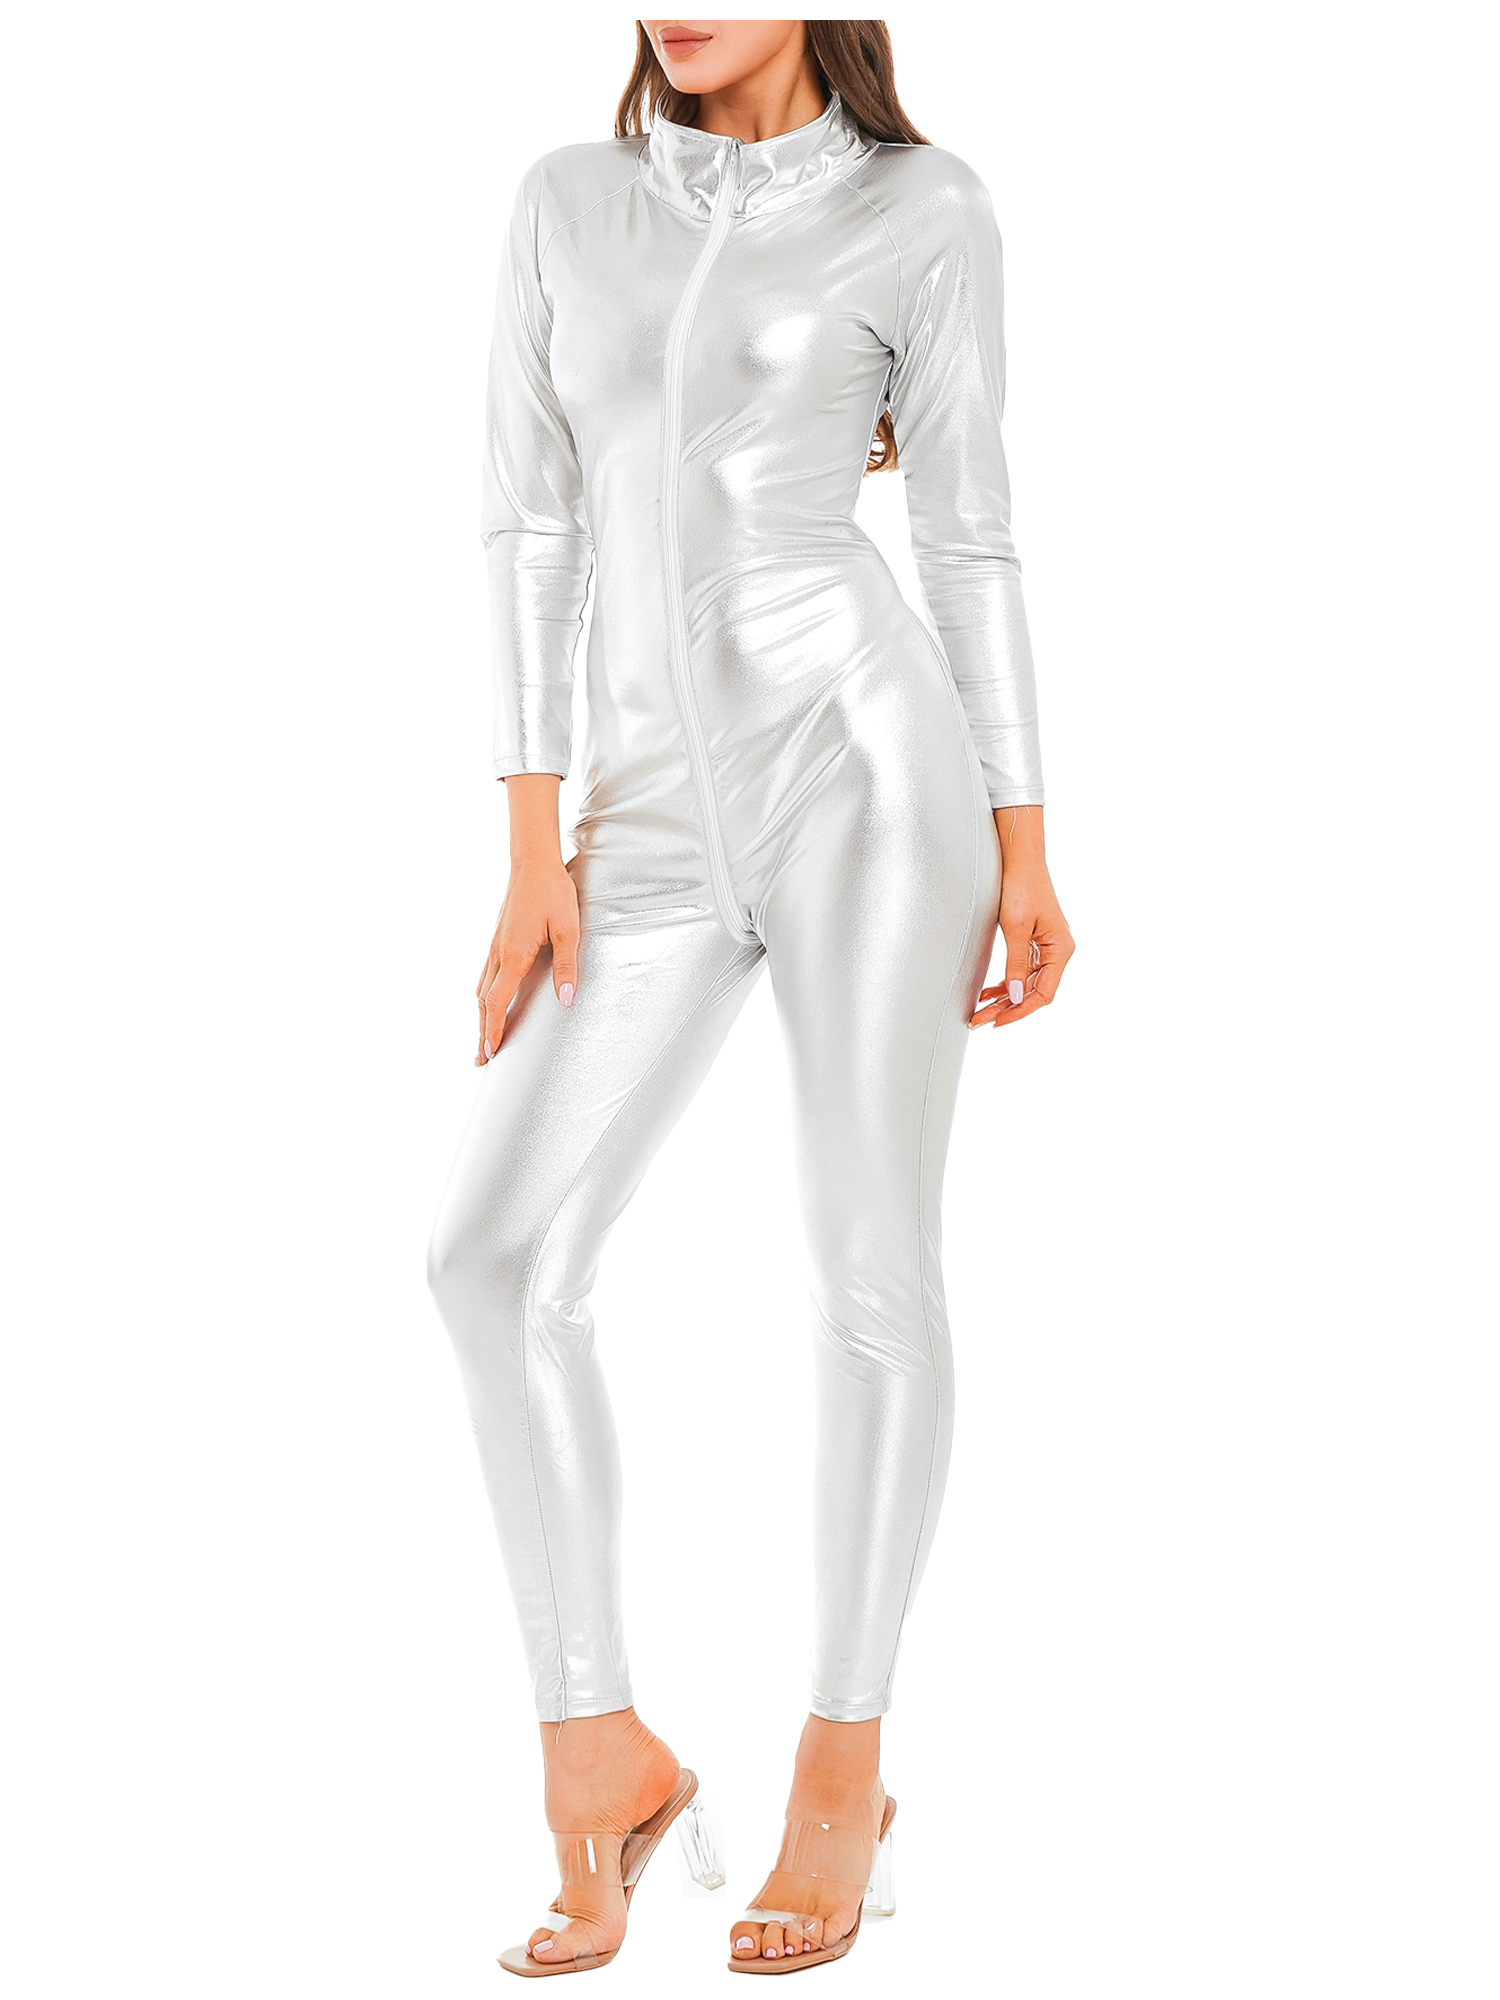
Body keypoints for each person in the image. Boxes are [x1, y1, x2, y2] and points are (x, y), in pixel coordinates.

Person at [426, 17, 1075, 1978]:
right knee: (489, 1260)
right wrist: (530, 839)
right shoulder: (569, 202)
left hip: (869, 771)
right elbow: (528, 521)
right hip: (632, 814)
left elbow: (966, 529)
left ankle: (842, 1769)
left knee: (870, 1267)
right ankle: (601, 1754)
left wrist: (1026, 840)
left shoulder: (924, 208)